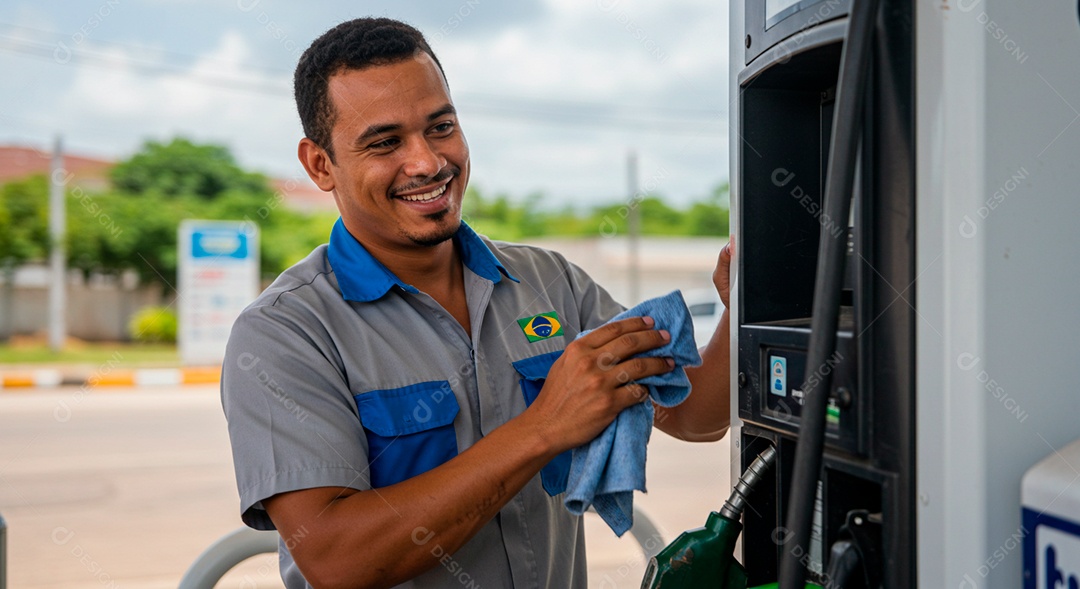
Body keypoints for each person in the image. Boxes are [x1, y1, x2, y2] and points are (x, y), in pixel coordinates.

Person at [221, 17, 733, 589]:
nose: (427, 162)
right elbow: (337, 560)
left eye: (440, 127)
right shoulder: (285, 333)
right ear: (320, 164)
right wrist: (545, 427)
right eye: (385, 142)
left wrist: (741, 303)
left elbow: (694, 416)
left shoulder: (549, 281)